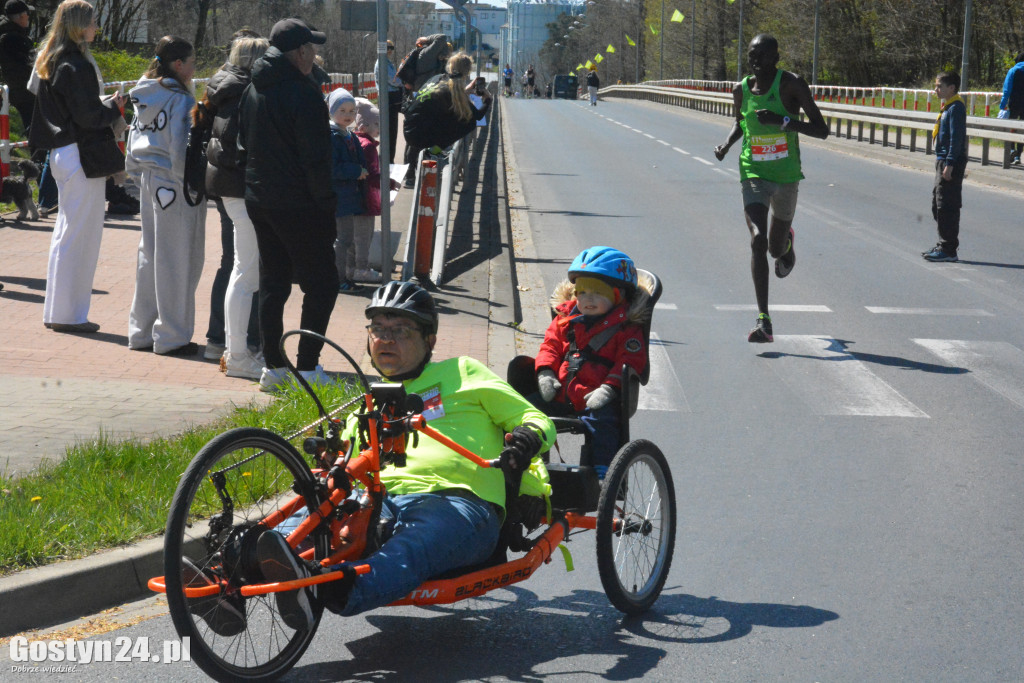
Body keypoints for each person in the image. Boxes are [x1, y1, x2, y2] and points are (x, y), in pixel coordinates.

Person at [251, 281, 556, 630]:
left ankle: (331, 590)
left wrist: (527, 437)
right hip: (373, 503)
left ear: (430, 340)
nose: (385, 339)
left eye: (400, 330)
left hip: (457, 502)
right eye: (378, 329)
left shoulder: (463, 373)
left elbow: (536, 419)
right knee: (296, 525)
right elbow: (343, 463)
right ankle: (226, 577)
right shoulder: (366, 403)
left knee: (416, 542)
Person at [237, 17, 337, 391]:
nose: (314, 56)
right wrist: (326, 205)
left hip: (260, 198)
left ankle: (274, 369)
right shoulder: (304, 93)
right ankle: (308, 368)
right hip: (298, 202)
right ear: (300, 53)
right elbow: (316, 159)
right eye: (311, 49)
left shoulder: (254, 88)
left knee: (274, 283)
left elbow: (242, 142)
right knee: (323, 284)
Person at [713, 33, 828, 343]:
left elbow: (822, 130)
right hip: (753, 172)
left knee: (775, 247)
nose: (754, 61)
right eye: (751, 55)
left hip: (787, 176)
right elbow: (741, 121)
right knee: (757, 240)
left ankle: (786, 245)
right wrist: (726, 144)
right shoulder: (741, 89)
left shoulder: (791, 84)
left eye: (761, 56)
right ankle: (764, 319)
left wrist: (785, 121)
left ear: (775, 59)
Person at [30, 0, 127, 334]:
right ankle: (69, 315)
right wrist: (115, 109)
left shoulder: (51, 59)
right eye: (93, 22)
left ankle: (59, 310)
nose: (96, 27)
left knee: (66, 233)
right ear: (78, 25)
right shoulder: (76, 64)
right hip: (79, 152)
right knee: (80, 236)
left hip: (61, 152)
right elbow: (88, 117)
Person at [530, 246, 648, 478]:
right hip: (562, 392)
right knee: (524, 411)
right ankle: (528, 463)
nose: (587, 299)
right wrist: (545, 372)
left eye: (597, 293)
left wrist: (609, 388)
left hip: (597, 397)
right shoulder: (567, 319)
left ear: (618, 295)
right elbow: (550, 346)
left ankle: (603, 472)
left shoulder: (626, 328)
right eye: (582, 292)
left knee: (602, 423)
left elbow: (630, 360)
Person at [125, 36, 205, 356]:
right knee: (177, 260)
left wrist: (134, 174)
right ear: (178, 65)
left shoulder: (145, 95)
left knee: (150, 256)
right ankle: (172, 335)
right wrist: (191, 185)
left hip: (147, 178)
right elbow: (179, 149)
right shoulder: (181, 101)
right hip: (173, 182)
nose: (194, 67)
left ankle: (141, 331)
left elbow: (133, 136)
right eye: (191, 61)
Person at [203, 33, 269, 378]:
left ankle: (232, 348)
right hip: (243, 188)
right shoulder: (246, 93)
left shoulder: (226, 88)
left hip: (230, 188)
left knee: (241, 268)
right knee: (246, 272)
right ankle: (238, 353)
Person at [403, 52, 492, 156]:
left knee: (450, 111)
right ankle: (434, 151)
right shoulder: (453, 90)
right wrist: (488, 100)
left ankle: (432, 150)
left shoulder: (438, 78)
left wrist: (465, 91)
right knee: (469, 121)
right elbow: (477, 116)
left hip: (409, 130)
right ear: (467, 73)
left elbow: (445, 94)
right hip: (421, 137)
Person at [921, 71, 968, 264]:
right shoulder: (948, 107)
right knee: (938, 204)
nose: (936, 89)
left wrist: (949, 164)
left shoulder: (956, 108)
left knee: (947, 205)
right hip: (943, 160)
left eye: (939, 86)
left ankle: (949, 249)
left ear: (952, 88)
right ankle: (943, 244)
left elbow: (956, 139)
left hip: (950, 162)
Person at [327, 87, 370, 293]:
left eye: (352, 111)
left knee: (347, 239)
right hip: (339, 197)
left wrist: (363, 170)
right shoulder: (332, 136)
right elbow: (332, 167)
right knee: (343, 240)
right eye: (342, 110)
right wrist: (356, 171)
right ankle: (338, 279)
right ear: (332, 111)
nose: (348, 115)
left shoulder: (349, 135)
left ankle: (345, 276)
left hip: (349, 196)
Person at [353, 97, 398, 284]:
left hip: (355, 198)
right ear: (364, 126)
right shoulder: (369, 146)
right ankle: (361, 269)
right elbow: (372, 176)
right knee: (364, 237)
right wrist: (390, 183)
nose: (380, 128)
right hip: (366, 200)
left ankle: (351, 267)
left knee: (353, 237)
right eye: (376, 124)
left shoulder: (355, 140)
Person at [0, 0, 36, 130]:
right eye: (27, 13)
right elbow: (30, 63)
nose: (28, 16)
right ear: (21, 16)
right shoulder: (12, 39)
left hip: (25, 90)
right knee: (34, 129)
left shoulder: (13, 35)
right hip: (25, 92)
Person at [373, 39, 402, 164]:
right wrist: (404, 83)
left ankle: (388, 160)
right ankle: (386, 161)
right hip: (388, 99)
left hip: (390, 98)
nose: (389, 50)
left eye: (391, 48)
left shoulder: (386, 62)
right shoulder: (382, 63)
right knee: (389, 132)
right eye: (387, 47)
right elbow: (394, 80)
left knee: (391, 132)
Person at [998, 51, 1024, 165]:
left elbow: (1007, 90)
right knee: (1022, 130)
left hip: (1014, 103)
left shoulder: (1013, 70)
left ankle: (1012, 150)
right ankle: (1018, 155)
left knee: (1011, 128)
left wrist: (1002, 106)